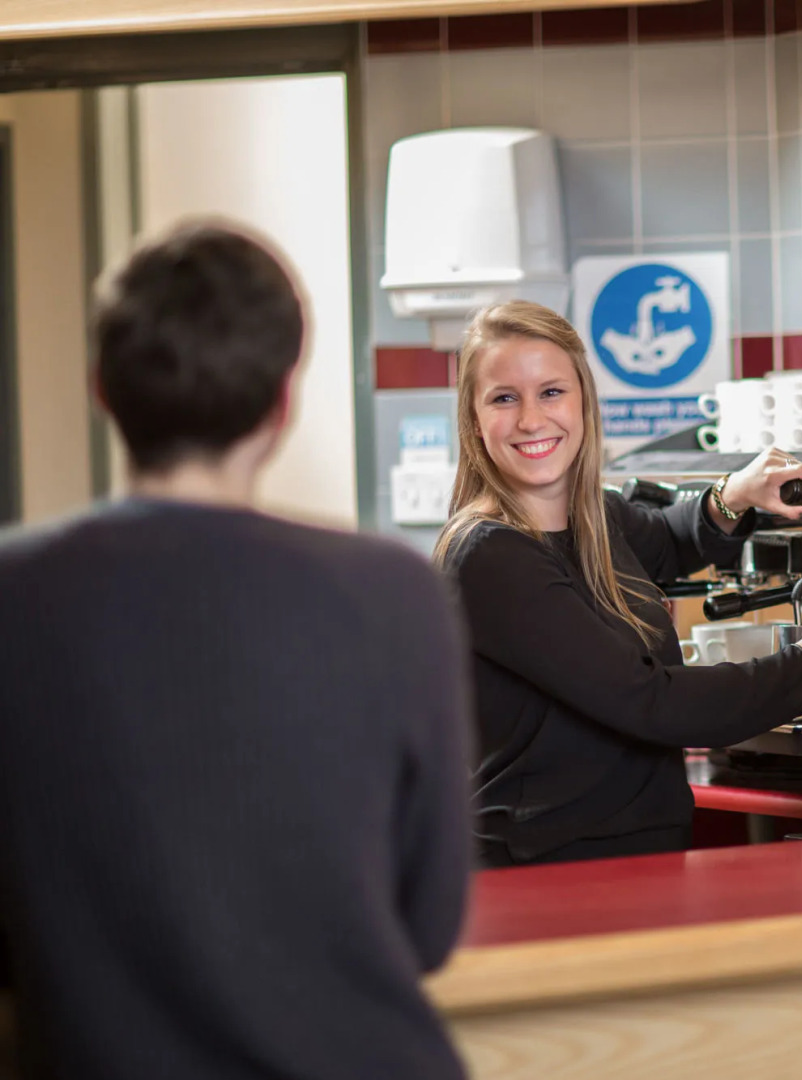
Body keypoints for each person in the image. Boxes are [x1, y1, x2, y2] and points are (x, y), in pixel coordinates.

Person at [0, 221, 472, 1080]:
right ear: (282, 402)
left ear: (102, 388)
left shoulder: (17, 592)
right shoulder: (393, 592)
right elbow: (430, 925)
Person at [435, 302, 802, 867]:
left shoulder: (594, 519)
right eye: (504, 398)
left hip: (628, 852)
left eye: (551, 392)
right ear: (473, 419)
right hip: (546, 866)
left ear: (584, 402)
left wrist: (734, 494)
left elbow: (669, 539)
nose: (531, 419)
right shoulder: (491, 554)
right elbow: (650, 702)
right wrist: (799, 673)